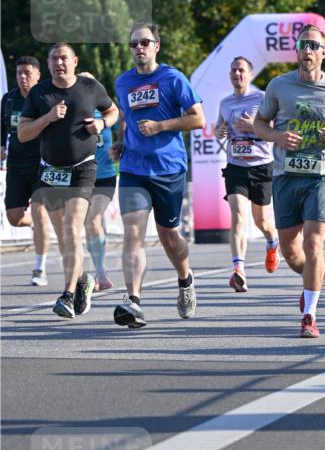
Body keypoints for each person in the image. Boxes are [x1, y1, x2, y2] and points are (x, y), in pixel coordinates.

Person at [253, 24, 325, 337]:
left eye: (313, 46)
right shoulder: (278, 86)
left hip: (322, 174)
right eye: (303, 45)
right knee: (291, 251)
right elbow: (259, 123)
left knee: (314, 241)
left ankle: (309, 315)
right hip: (286, 175)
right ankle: (312, 280)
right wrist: (276, 135)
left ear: (323, 52)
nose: (307, 51)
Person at [113, 22, 205, 329]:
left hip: (168, 169)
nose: (138, 48)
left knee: (169, 237)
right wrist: (118, 142)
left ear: (156, 46)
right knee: (133, 233)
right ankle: (133, 302)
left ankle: (185, 278)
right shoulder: (122, 82)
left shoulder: (173, 78)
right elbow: (125, 117)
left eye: (144, 42)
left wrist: (161, 126)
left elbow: (198, 119)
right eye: (133, 44)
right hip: (133, 169)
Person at [17, 43, 118, 318]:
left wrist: (102, 124)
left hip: (83, 168)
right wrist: (47, 118)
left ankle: (68, 294)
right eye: (53, 59)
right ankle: (82, 277)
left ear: (74, 61)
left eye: (63, 58)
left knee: (74, 228)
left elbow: (113, 111)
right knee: (64, 237)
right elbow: (23, 133)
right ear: (48, 64)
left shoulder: (90, 87)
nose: (58, 63)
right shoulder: (40, 93)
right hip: (50, 171)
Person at [215, 56, 280, 292]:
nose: (237, 74)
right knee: (238, 217)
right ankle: (239, 270)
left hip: (262, 166)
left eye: (241, 70)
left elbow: (276, 130)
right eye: (233, 70)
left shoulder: (262, 98)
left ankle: (272, 243)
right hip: (236, 167)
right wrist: (219, 131)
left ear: (250, 75)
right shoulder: (224, 103)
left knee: (261, 221)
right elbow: (219, 129)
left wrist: (253, 127)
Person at [1, 56, 59, 285]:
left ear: (37, 74)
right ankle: (38, 224)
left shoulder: (45, 97)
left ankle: (39, 269)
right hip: (16, 163)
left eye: (27, 73)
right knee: (14, 218)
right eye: (19, 73)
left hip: (41, 162)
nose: (23, 77)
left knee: (39, 210)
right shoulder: (8, 99)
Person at [78, 73, 116, 291]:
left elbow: (124, 134)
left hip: (105, 175)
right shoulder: (73, 112)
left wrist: (120, 149)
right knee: (90, 225)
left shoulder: (108, 111)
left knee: (93, 220)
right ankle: (99, 269)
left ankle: (101, 273)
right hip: (82, 176)